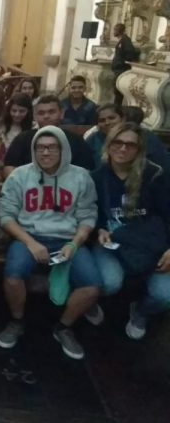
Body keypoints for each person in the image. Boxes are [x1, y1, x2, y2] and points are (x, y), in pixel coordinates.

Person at [0, 126, 102, 360]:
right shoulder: (20, 175)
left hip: (68, 239)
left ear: (63, 149)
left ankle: (63, 327)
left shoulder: (81, 177)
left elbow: (88, 215)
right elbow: (5, 214)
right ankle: (17, 321)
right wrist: (30, 243)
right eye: (40, 147)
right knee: (13, 276)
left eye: (52, 147)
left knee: (92, 286)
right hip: (29, 237)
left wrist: (74, 244)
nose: (45, 152)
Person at [90, 122, 170, 340]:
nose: (123, 148)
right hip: (112, 242)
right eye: (118, 142)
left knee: (164, 295)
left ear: (139, 149)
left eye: (130, 145)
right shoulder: (97, 177)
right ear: (108, 145)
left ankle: (141, 311)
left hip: (151, 244)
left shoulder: (155, 175)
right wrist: (99, 229)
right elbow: (90, 213)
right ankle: (89, 301)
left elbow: (167, 212)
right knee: (108, 283)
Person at [3, 95, 95, 178]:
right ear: (35, 116)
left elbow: (86, 170)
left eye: (51, 112)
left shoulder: (76, 140)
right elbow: (9, 166)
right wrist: (21, 185)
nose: (46, 116)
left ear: (62, 113)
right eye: (41, 113)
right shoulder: (22, 139)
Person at [112, 23, 139, 105]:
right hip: (118, 69)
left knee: (118, 92)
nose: (114, 31)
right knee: (116, 91)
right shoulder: (121, 40)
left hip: (122, 69)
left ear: (121, 30)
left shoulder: (125, 40)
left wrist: (123, 63)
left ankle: (117, 108)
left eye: (115, 29)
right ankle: (116, 107)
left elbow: (130, 53)